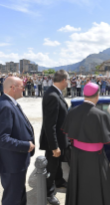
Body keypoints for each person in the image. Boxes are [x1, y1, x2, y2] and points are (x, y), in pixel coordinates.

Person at [62, 82, 110, 205]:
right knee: (96, 186)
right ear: (97, 95)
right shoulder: (101, 115)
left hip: (77, 155)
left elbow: (67, 132)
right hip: (95, 157)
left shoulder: (73, 111)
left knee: (78, 183)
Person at [0, 76, 35, 205]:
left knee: (19, 195)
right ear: (12, 88)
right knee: (12, 199)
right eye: (22, 87)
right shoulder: (5, 106)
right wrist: (25, 145)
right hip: (12, 163)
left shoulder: (10, 103)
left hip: (16, 162)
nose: (24, 89)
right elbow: (1, 139)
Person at [39, 70, 69, 205]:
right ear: (63, 80)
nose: (68, 83)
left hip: (59, 137)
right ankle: (49, 193)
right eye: (67, 80)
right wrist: (54, 146)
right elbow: (50, 124)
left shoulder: (56, 92)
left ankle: (59, 181)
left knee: (57, 163)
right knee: (51, 165)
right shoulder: (52, 95)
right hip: (54, 140)